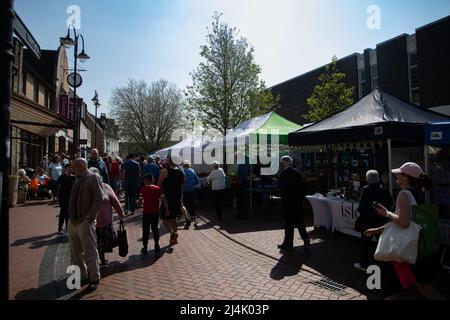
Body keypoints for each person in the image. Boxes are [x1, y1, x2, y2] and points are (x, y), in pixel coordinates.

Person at [366, 162, 444, 300]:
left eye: (399, 174)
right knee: (427, 291)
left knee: (392, 291)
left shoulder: (403, 194)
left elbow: (403, 222)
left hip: (404, 251)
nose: (396, 176)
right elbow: (410, 221)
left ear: (406, 178)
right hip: (420, 248)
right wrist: (379, 229)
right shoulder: (421, 192)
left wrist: (386, 213)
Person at [68, 158, 107, 290]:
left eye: (76, 166)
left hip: (85, 221)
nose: (74, 168)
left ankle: (94, 277)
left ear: (83, 166)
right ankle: (82, 275)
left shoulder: (93, 178)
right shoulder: (77, 179)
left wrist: (90, 217)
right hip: (73, 221)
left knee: (90, 250)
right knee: (75, 252)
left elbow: (99, 198)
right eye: (74, 166)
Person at [353, 170, 393, 271]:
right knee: (383, 244)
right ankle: (387, 265)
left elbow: (361, 207)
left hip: (368, 221)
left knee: (365, 244)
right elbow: (390, 203)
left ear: (368, 179)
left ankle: (364, 264)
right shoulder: (384, 188)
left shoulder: (366, 189)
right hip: (381, 221)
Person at [89, 167, 125, 266]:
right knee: (94, 242)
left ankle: (102, 257)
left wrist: (121, 213)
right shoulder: (87, 189)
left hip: (105, 221)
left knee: (103, 242)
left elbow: (115, 200)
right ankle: (97, 259)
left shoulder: (106, 187)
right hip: (91, 221)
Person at [278, 156, 310, 250]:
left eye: (282, 163)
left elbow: (282, 188)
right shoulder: (297, 172)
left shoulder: (284, 174)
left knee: (288, 223)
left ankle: (288, 243)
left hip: (288, 202)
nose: (281, 164)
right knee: (300, 222)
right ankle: (305, 238)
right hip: (297, 202)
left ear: (286, 162)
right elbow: (303, 185)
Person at [158, 155, 185, 251]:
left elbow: (158, 184)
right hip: (177, 198)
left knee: (165, 219)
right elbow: (182, 186)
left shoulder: (164, 171)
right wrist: (181, 199)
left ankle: (172, 234)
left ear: (169, 161)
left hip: (167, 198)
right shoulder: (181, 172)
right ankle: (175, 233)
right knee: (173, 218)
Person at [138, 173, 166, 255]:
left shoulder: (143, 189)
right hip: (155, 213)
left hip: (146, 212)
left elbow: (140, 202)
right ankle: (157, 245)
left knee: (145, 230)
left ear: (145, 181)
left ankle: (145, 247)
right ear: (153, 180)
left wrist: (138, 202)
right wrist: (167, 210)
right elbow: (164, 199)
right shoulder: (158, 188)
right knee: (155, 229)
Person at [56, 163, 76, 234]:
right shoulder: (62, 176)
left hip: (71, 198)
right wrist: (57, 196)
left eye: (71, 168)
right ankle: (60, 228)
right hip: (63, 197)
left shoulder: (74, 177)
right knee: (63, 212)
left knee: (68, 213)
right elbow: (56, 185)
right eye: (69, 167)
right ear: (65, 169)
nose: (70, 169)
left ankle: (68, 227)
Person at [182, 160, 200, 229]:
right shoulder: (192, 171)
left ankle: (185, 216)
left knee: (184, 203)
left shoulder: (182, 171)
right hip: (192, 189)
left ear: (183, 165)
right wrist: (192, 184)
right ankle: (192, 216)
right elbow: (197, 180)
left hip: (184, 190)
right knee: (191, 203)